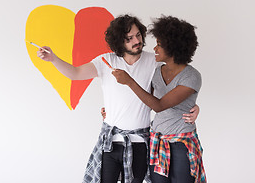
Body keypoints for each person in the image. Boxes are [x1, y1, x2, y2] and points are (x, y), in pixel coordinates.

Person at [37, 14, 199, 183]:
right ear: (119, 41)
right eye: (129, 38)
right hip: (110, 142)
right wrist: (53, 59)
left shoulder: (155, 61)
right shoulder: (106, 61)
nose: (136, 40)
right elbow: (75, 73)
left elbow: (172, 87)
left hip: (140, 142)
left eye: (138, 35)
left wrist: (194, 107)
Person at [112, 15, 206, 183]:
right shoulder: (157, 72)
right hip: (157, 141)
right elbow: (145, 100)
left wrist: (130, 82)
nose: (154, 48)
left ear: (173, 48)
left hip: (181, 144)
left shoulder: (191, 76)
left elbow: (159, 105)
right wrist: (111, 110)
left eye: (159, 45)